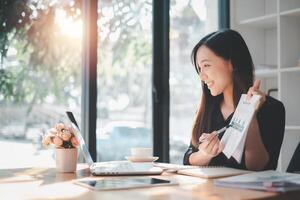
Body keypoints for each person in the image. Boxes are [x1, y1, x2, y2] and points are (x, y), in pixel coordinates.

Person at [183, 29, 285, 171]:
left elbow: (257, 167)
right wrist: (205, 154)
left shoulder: (271, 108)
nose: (201, 76)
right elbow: (188, 158)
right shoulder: (208, 109)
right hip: (209, 192)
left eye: (206, 65)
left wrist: (250, 114)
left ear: (232, 63)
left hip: (247, 193)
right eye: (199, 68)